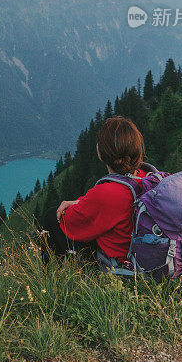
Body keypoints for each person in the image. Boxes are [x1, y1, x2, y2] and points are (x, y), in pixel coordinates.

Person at [41, 116, 147, 271]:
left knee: (51, 217)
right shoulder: (146, 177)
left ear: (102, 152)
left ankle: (51, 279)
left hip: (122, 265)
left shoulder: (106, 192)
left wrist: (73, 207)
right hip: (147, 255)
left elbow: (69, 222)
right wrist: (81, 202)